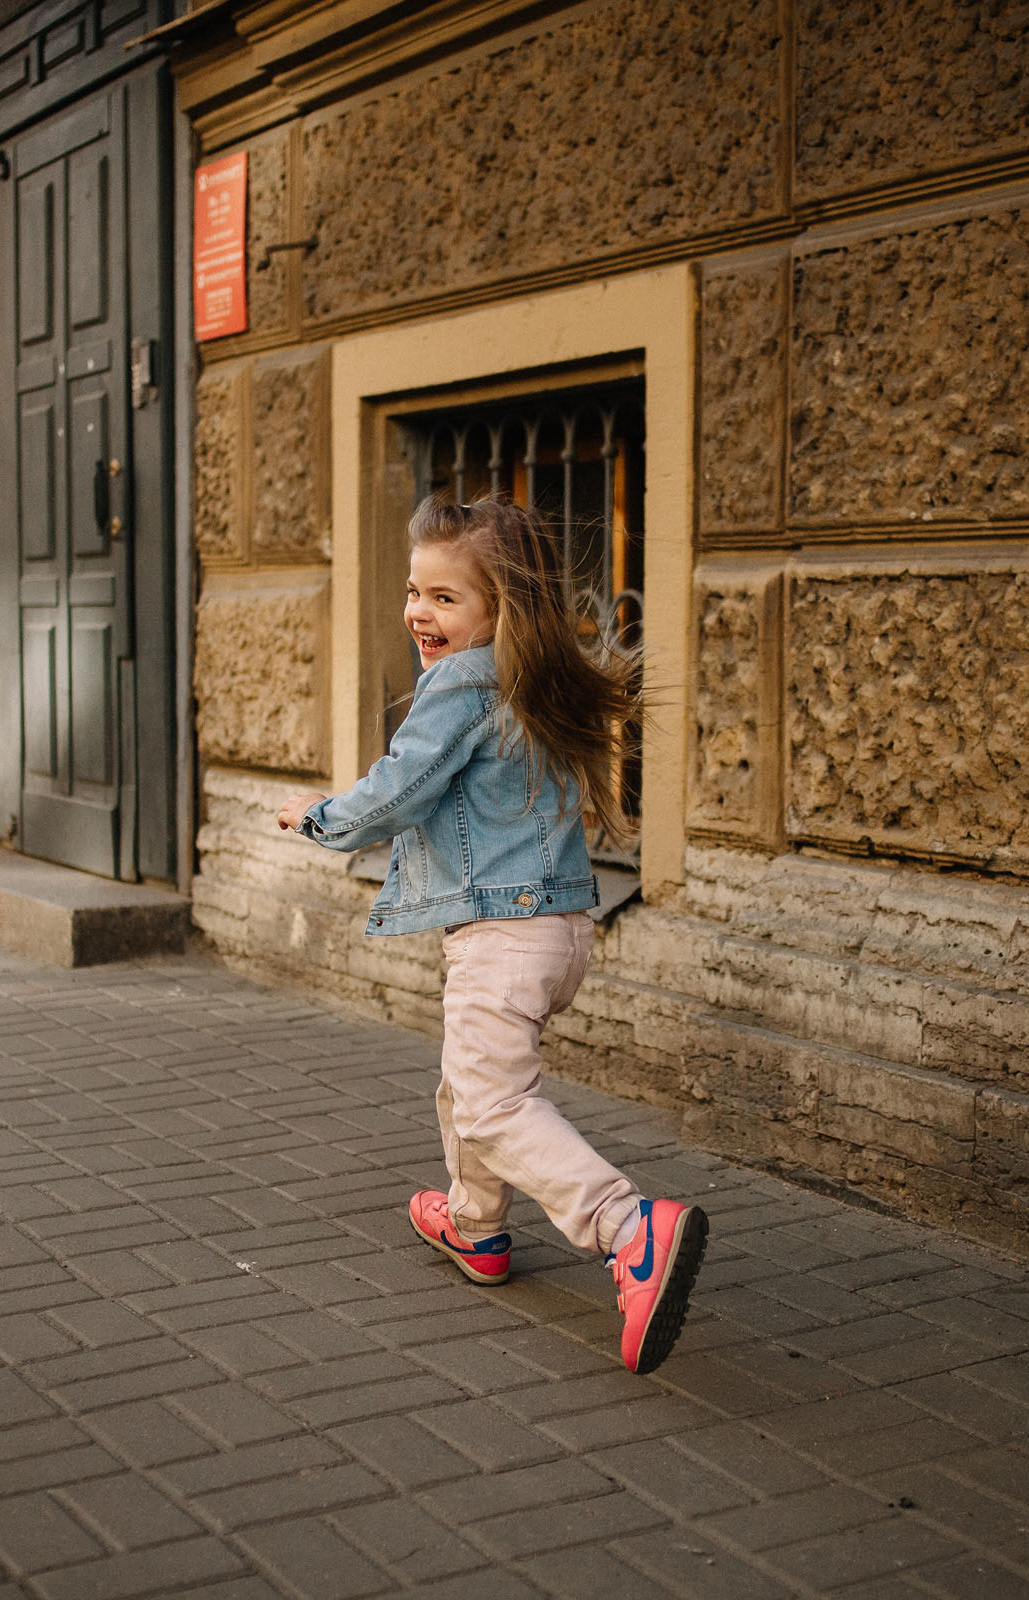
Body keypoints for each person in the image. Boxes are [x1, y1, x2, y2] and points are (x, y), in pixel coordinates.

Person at [276, 496, 707, 1376]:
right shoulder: (528, 677)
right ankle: (475, 1225)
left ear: (498, 609)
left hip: (502, 938)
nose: (419, 614)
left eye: (444, 599)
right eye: (413, 592)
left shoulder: (465, 684)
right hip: (559, 932)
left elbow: (401, 790)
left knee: (491, 1102)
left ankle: (630, 1230)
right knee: (467, 1084)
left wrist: (319, 817)